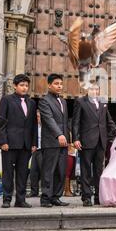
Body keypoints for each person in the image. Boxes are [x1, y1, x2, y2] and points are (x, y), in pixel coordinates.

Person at [72, 82, 116, 207]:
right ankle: (86, 197)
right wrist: (75, 139)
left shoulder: (102, 103)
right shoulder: (81, 102)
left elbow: (109, 121)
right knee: (85, 170)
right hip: (86, 141)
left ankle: (98, 196)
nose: (94, 91)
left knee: (99, 170)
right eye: (91, 89)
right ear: (87, 89)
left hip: (101, 141)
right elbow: (75, 122)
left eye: (96, 89)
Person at [0, 74, 38, 208]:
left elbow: (33, 125)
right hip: (9, 144)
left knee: (22, 173)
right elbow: (1, 122)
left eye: (26, 85)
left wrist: (34, 143)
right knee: (8, 173)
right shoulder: (6, 100)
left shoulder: (32, 103)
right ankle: (7, 199)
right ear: (15, 86)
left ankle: (20, 200)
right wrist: (3, 141)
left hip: (26, 145)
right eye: (21, 85)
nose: (24, 88)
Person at [39, 74, 69, 208]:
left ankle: (56, 197)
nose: (59, 86)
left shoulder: (63, 102)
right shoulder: (44, 101)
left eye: (61, 84)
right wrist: (59, 135)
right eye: (56, 84)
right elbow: (49, 119)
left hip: (64, 142)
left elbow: (65, 122)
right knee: (49, 170)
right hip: (51, 141)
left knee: (61, 171)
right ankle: (45, 198)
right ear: (49, 85)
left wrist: (69, 138)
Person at [28, 110, 42, 197]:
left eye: (39, 116)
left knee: (43, 172)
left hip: (43, 151)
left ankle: (45, 192)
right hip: (35, 151)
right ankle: (34, 191)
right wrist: (33, 145)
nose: (37, 118)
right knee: (33, 171)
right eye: (36, 117)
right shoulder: (34, 127)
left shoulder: (46, 127)